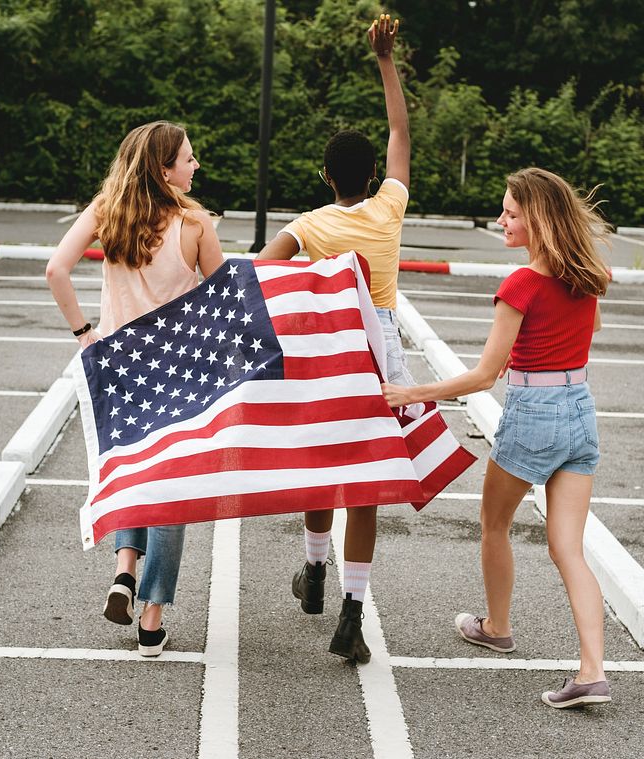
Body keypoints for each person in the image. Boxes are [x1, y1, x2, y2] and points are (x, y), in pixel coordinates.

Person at [382, 167, 613, 708]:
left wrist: (411, 393)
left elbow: (485, 376)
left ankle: (498, 626)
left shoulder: (520, 285)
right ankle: (593, 670)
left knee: (494, 525)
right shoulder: (589, 273)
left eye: (510, 212)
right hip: (580, 410)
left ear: (537, 218)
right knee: (568, 549)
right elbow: (590, 332)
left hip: (534, 413)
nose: (500, 220)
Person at [257, 13, 410, 664]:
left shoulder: (312, 224)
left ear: (326, 178)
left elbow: (262, 266)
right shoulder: (389, 209)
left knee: (323, 464)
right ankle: (351, 608)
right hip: (382, 353)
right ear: (374, 175)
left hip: (330, 354)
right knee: (367, 481)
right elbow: (401, 128)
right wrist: (383, 60)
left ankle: (313, 571)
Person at [46, 121, 223, 656]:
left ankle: (125, 570)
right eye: (189, 160)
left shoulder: (109, 209)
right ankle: (151, 619)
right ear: (165, 168)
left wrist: (84, 334)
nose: (196, 167)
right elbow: (220, 305)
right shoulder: (195, 223)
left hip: (120, 365)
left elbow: (56, 269)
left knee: (132, 474)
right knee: (170, 494)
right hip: (177, 370)